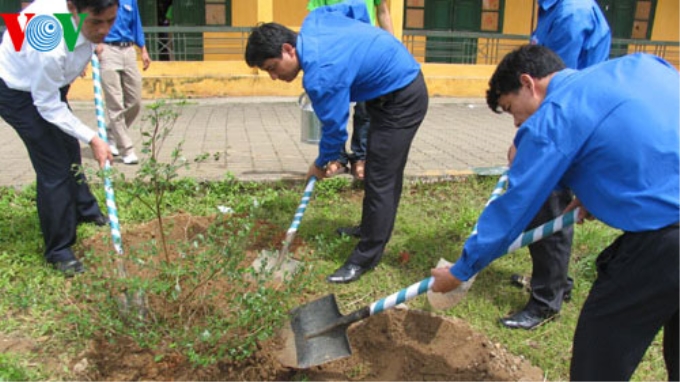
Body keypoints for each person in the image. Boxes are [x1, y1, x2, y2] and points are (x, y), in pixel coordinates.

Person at [431, 44, 679, 380]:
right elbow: (646, 138)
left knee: (602, 346)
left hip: (667, 243)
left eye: (511, 108)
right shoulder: (639, 65)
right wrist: (599, 192)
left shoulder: (555, 114)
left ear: (528, 83)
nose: (517, 122)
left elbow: (515, 206)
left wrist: (461, 271)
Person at [245, 0, 428, 284]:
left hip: (403, 96)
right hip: (384, 92)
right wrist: (366, 45)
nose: (274, 76)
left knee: (381, 176)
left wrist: (320, 164)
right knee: (377, 167)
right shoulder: (315, 21)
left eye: (273, 67)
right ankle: (370, 227)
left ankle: (365, 257)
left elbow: (334, 131)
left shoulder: (321, 74)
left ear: (288, 49)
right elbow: (355, 6)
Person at [500, 0, 612, 330]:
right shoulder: (553, 8)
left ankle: (546, 301)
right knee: (549, 207)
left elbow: (550, 88)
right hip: (562, 125)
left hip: (565, 129)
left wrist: (526, 142)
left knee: (548, 208)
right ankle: (554, 282)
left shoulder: (570, 12)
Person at [0, 0, 117, 276]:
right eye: (96, 23)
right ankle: (59, 250)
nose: (104, 29)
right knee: (54, 167)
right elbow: (47, 105)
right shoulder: (49, 43)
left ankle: (84, 208)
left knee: (68, 146)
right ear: (74, 11)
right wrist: (94, 138)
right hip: (17, 91)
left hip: (46, 83)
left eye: (110, 21)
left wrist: (93, 43)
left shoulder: (76, 18)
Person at [307, 0, 394, 183]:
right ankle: (335, 158)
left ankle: (360, 157)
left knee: (365, 109)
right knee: (333, 108)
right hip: (334, 52)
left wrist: (392, 47)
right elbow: (316, 19)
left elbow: (383, 12)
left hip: (364, 50)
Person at [97, 0, 150, 165]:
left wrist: (143, 49)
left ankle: (110, 135)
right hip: (108, 50)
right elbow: (88, 21)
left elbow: (136, 24)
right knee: (115, 104)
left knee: (135, 102)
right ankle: (127, 149)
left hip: (128, 51)